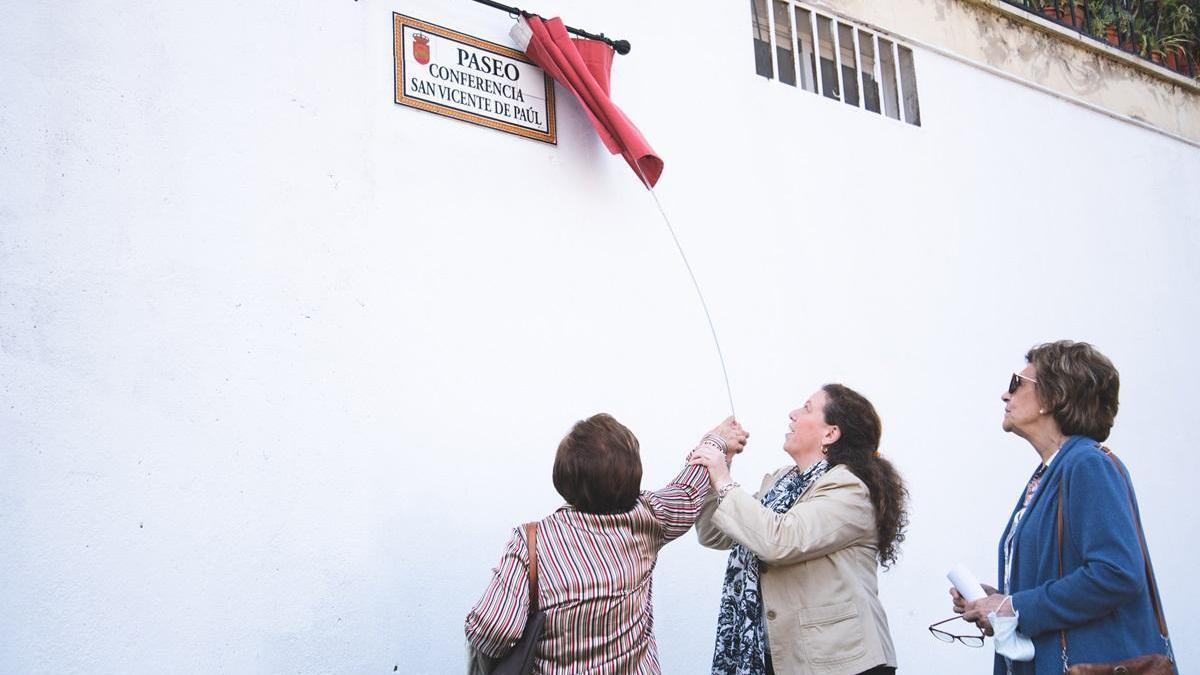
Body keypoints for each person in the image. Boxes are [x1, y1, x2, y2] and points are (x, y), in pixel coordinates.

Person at [953, 340, 1175, 674]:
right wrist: (998, 602)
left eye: (1017, 383)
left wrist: (1015, 607)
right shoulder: (1052, 472)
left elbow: (1116, 573)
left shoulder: (1086, 464)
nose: (1005, 395)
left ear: (1054, 397)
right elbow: (1061, 580)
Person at [464, 413, 749, 673]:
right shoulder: (650, 519)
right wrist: (717, 441)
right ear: (633, 474)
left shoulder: (531, 543)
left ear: (563, 476)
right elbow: (688, 489)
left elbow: (493, 630)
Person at [691, 384, 907, 675]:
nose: (792, 414)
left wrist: (723, 477)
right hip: (780, 658)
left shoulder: (850, 488)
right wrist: (717, 466)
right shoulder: (781, 483)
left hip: (841, 664)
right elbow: (713, 533)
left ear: (830, 433)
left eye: (806, 408)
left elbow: (780, 540)